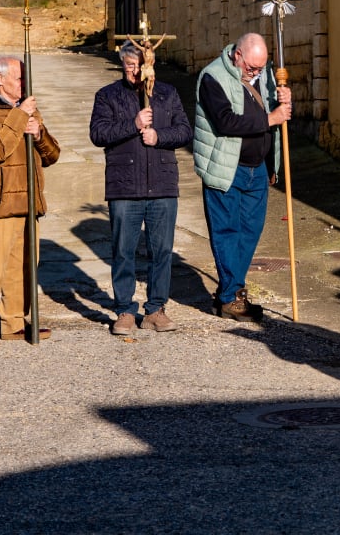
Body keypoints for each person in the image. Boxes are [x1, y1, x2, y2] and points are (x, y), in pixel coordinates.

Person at [90, 42, 192, 335]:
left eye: (140, 65)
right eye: (129, 66)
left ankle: (156, 308)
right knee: (123, 251)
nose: (135, 72)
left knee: (161, 251)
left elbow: (185, 131)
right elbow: (98, 133)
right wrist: (132, 124)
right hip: (124, 187)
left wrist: (158, 135)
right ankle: (124, 310)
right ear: (122, 65)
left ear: (151, 63)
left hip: (161, 185)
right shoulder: (107, 95)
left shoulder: (167, 94)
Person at [193, 32, 292, 322]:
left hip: (258, 168)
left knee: (250, 231)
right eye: (251, 68)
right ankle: (231, 296)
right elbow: (225, 122)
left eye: (261, 68)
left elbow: (278, 117)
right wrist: (270, 118)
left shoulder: (267, 75)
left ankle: (229, 292)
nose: (256, 73)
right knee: (227, 233)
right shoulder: (212, 77)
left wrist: (284, 102)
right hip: (226, 168)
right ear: (237, 55)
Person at [0, 56, 61, 345]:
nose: (25, 83)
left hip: (28, 200)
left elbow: (52, 155)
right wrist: (20, 117)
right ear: (0, 79)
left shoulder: (27, 110)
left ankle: (14, 321)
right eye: (19, 78)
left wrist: (39, 133)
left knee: (22, 265)